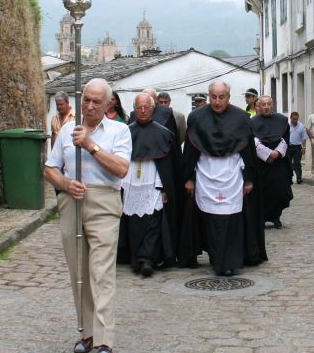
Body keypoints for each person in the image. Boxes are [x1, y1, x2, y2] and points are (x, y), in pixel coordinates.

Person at [43, 78, 132, 353]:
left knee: (101, 271)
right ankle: (87, 332)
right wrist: (67, 184)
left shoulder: (120, 131)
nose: (90, 106)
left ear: (109, 104)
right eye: (87, 100)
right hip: (72, 200)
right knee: (78, 271)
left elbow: (121, 169)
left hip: (104, 201)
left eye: (97, 102)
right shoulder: (67, 130)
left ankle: (106, 341)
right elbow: (50, 169)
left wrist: (91, 145)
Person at [181, 80, 267, 276]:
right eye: (213, 97)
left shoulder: (241, 118)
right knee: (209, 219)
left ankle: (229, 260)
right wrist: (189, 178)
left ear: (229, 97)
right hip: (206, 174)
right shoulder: (196, 118)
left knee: (232, 219)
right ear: (208, 96)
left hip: (233, 174)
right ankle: (216, 257)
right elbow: (190, 152)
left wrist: (248, 179)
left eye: (222, 97)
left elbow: (248, 152)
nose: (217, 101)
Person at [119, 93, 182, 277]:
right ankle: (135, 259)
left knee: (153, 223)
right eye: (139, 107)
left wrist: (164, 188)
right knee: (133, 224)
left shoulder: (163, 134)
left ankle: (148, 259)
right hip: (131, 184)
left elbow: (167, 166)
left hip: (153, 184)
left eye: (147, 107)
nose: (143, 111)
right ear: (134, 109)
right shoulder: (126, 133)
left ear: (153, 109)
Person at [251, 96, 293, 229]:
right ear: (258, 106)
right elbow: (252, 141)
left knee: (279, 191)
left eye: (269, 104)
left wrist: (277, 153)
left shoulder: (281, 120)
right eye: (263, 104)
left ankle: (276, 217)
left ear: (272, 105)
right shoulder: (252, 122)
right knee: (262, 192)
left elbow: (285, 139)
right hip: (261, 164)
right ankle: (262, 218)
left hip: (278, 163)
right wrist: (267, 154)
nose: (266, 107)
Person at [287, 111, 308, 184]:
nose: (295, 120)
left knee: (297, 163)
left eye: (296, 119)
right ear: (290, 118)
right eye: (294, 119)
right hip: (288, 147)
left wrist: (304, 147)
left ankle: (299, 178)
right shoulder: (286, 126)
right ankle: (289, 178)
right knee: (288, 163)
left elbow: (304, 138)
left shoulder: (301, 126)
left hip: (297, 147)